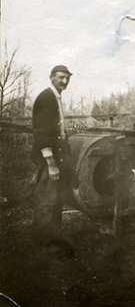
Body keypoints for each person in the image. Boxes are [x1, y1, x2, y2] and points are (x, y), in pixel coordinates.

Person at [32, 65, 79, 257]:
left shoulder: (56, 98)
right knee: (47, 201)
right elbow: (42, 133)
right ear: (51, 78)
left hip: (58, 156)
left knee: (57, 200)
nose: (65, 81)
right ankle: (44, 244)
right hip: (49, 160)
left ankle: (55, 240)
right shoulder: (46, 98)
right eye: (61, 77)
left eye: (68, 78)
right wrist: (50, 163)